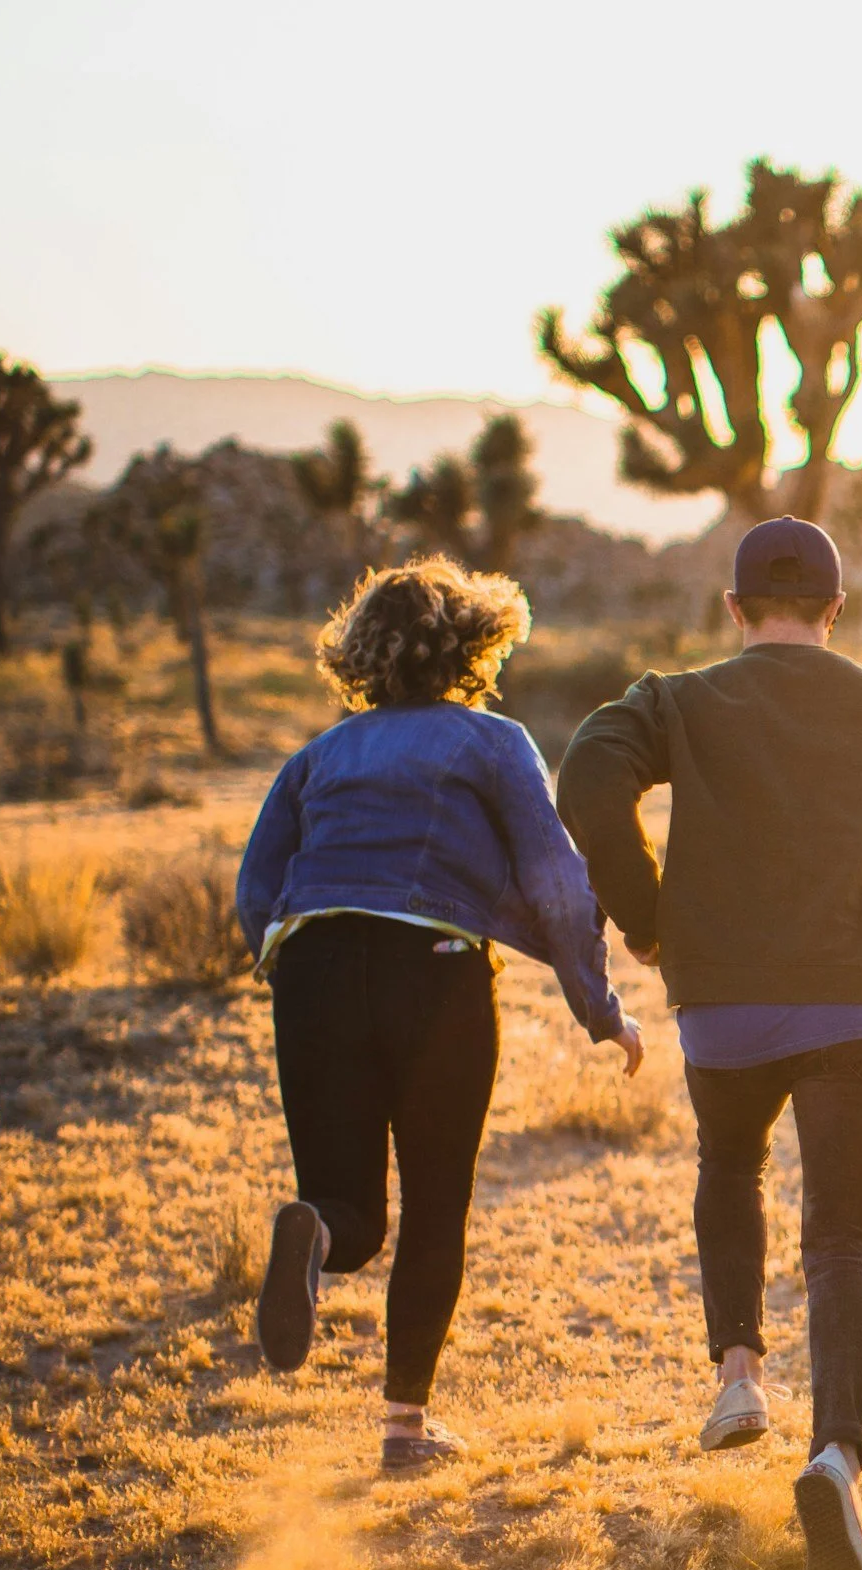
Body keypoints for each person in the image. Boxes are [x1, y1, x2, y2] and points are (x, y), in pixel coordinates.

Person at [556, 516, 862, 1570]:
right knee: (844, 1240)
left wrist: (650, 910)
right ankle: (838, 1456)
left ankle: (739, 1377)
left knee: (729, 1165)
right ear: (835, 611)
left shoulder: (679, 701)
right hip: (857, 998)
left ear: (735, 607)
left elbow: (583, 779)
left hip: (724, 1007)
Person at [237, 557, 641, 1470]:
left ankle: (317, 1232)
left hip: (315, 964)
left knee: (351, 1210)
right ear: (474, 644)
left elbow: (257, 882)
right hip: (436, 969)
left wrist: (287, 964)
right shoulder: (492, 742)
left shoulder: (320, 755)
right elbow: (556, 884)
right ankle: (403, 1430)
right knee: (433, 1208)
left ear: (361, 655)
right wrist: (600, 1008)